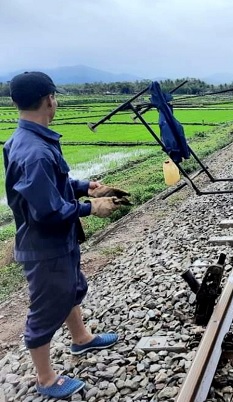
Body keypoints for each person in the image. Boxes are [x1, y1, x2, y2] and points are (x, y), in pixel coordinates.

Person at [3, 72, 128, 399]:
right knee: (47, 306)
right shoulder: (35, 151)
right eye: (54, 98)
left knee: (70, 289)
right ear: (49, 100)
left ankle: (81, 339)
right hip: (44, 245)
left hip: (58, 240)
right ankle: (45, 379)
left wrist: (84, 186)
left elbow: (50, 188)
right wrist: (91, 208)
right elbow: (48, 211)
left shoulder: (30, 140)